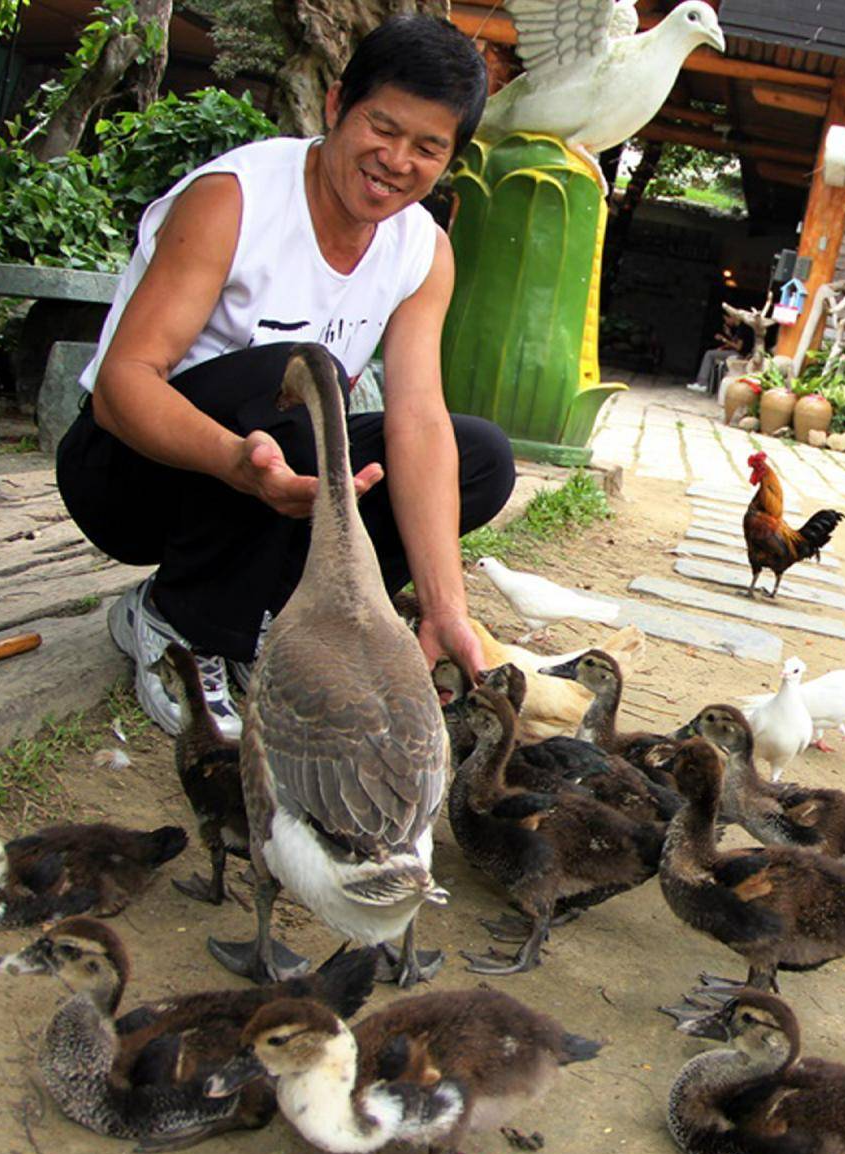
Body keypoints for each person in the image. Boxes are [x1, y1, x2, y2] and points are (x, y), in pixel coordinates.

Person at [57, 14, 513, 739]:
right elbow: (121, 386)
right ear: (337, 106)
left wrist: (444, 608)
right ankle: (178, 626)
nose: (397, 161)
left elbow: (417, 421)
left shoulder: (422, 250)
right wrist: (234, 463)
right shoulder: (235, 199)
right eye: (382, 129)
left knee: (479, 456)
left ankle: (266, 617)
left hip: (275, 472)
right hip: (131, 474)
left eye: (427, 147)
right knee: (303, 376)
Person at [687, 312, 748, 394]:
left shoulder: (742, 328)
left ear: (732, 317)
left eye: (726, 319)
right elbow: (734, 343)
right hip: (734, 352)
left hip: (739, 355)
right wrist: (727, 339)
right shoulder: (738, 328)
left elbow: (738, 347)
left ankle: (702, 383)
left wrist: (723, 339)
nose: (726, 322)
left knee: (709, 354)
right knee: (712, 353)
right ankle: (705, 383)